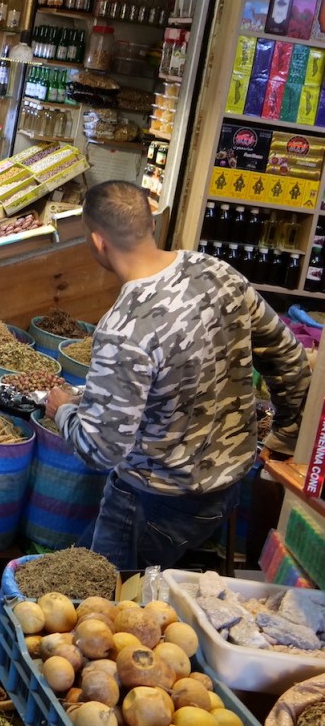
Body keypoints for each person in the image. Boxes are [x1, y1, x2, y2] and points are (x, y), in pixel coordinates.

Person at [45, 180, 311, 571]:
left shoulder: (124, 328)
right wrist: (287, 433)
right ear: (151, 224)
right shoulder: (217, 272)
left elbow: (101, 451)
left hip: (153, 500)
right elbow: (288, 356)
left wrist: (64, 410)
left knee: (103, 595)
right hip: (224, 490)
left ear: (98, 242)